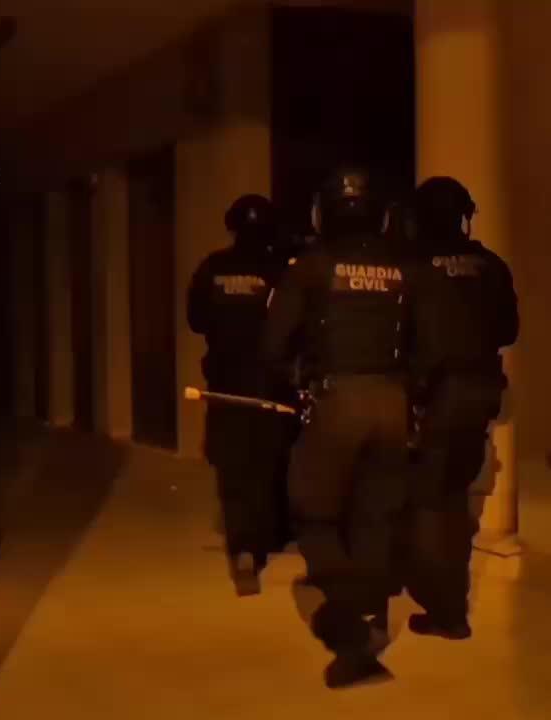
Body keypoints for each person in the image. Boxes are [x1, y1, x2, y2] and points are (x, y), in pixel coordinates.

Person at [264, 167, 409, 689]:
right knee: (375, 518)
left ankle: (349, 640)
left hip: (336, 404)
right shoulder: (403, 266)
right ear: (380, 213)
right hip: (394, 404)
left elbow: (273, 345)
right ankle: (371, 617)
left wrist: (295, 380)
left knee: (316, 514)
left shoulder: (310, 267)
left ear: (322, 213)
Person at [403, 176, 518, 640]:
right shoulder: (491, 265)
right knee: (452, 501)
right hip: (480, 394)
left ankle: (446, 610)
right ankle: (448, 602)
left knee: (431, 503)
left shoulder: (412, 266)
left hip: (436, 397)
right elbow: (509, 331)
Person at [186, 193, 297, 596]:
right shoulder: (281, 270)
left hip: (226, 385)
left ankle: (244, 552)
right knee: (267, 465)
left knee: (232, 470)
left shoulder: (212, 268)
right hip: (270, 386)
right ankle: (266, 538)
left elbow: (196, 321)